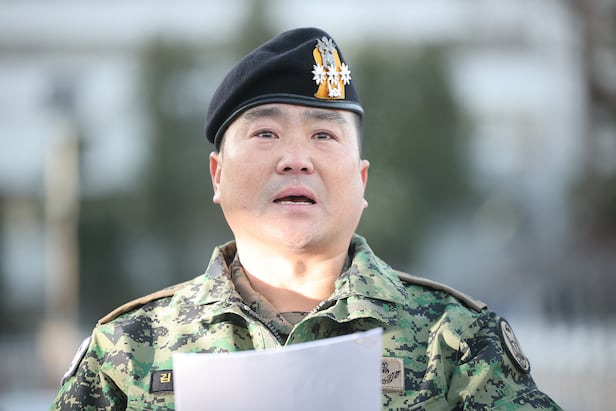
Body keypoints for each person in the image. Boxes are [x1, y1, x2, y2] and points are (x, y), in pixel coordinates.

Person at [51, 27, 561, 410]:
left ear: (361, 180)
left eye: (323, 136)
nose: (296, 159)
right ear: (217, 175)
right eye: (266, 134)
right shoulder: (128, 352)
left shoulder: (455, 344)